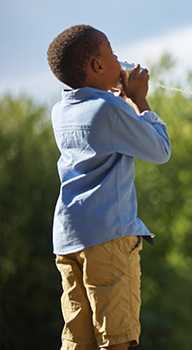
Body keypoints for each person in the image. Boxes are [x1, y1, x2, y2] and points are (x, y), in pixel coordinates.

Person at [47, 24, 171, 350]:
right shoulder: (108, 109)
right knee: (116, 338)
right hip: (108, 237)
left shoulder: (61, 111)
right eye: (112, 53)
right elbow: (160, 150)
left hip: (68, 239)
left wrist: (114, 100)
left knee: (78, 340)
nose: (119, 60)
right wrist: (140, 102)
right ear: (98, 66)